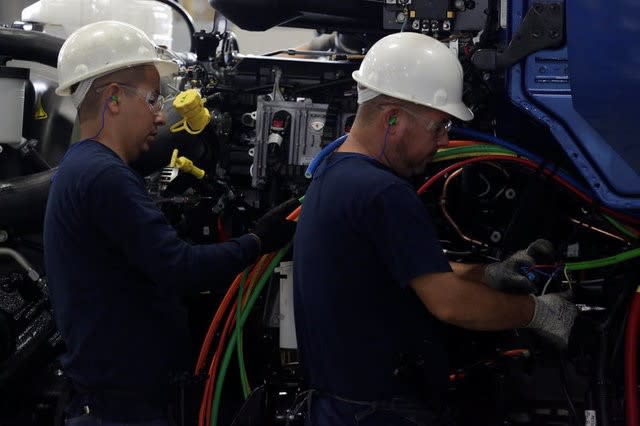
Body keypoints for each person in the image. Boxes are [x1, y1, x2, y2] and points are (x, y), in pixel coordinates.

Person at [292, 32, 578, 426]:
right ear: (393, 117)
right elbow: (450, 303)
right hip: (379, 412)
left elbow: (401, 273)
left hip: (341, 407)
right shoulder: (384, 193)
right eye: (439, 125)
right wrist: (539, 313)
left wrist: (487, 275)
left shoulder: (335, 174)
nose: (444, 141)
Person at [43, 21, 298, 425]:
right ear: (112, 99)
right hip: (122, 410)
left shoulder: (83, 168)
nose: (160, 117)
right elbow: (179, 268)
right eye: (152, 100)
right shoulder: (103, 176)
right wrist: (257, 239)